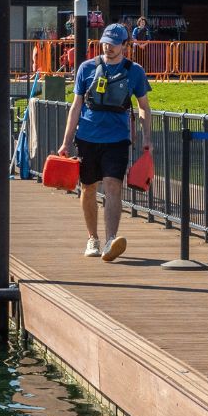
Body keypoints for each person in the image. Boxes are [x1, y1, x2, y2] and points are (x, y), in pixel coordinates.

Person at [57, 22, 152, 263]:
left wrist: (147, 139)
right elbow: (76, 106)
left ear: (124, 45)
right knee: (88, 187)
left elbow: (144, 107)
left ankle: (110, 240)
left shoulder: (135, 71)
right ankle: (93, 238)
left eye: (114, 43)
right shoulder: (86, 68)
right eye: (105, 43)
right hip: (87, 137)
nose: (108, 47)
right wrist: (66, 142)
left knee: (112, 186)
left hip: (118, 139)